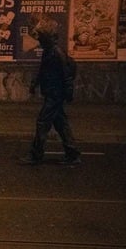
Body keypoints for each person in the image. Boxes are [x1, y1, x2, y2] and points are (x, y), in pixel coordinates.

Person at [20, 18, 81, 165]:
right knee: (61, 123)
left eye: (41, 37)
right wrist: (35, 84)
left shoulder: (56, 52)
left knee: (42, 122)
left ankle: (36, 155)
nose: (39, 39)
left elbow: (66, 75)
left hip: (55, 94)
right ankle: (73, 154)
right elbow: (43, 70)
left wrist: (69, 92)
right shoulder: (48, 51)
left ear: (47, 38)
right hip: (52, 93)